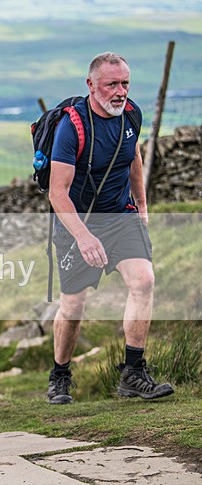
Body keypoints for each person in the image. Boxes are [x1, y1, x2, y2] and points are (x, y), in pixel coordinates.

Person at [47, 52, 173, 404]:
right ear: (91, 85)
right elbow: (58, 193)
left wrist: (142, 207)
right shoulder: (71, 128)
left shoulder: (131, 114)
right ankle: (60, 375)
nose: (120, 92)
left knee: (144, 280)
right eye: (112, 84)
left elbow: (133, 157)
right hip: (78, 222)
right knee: (73, 308)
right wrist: (84, 238)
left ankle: (133, 373)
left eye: (125, 83)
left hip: (121, 216)